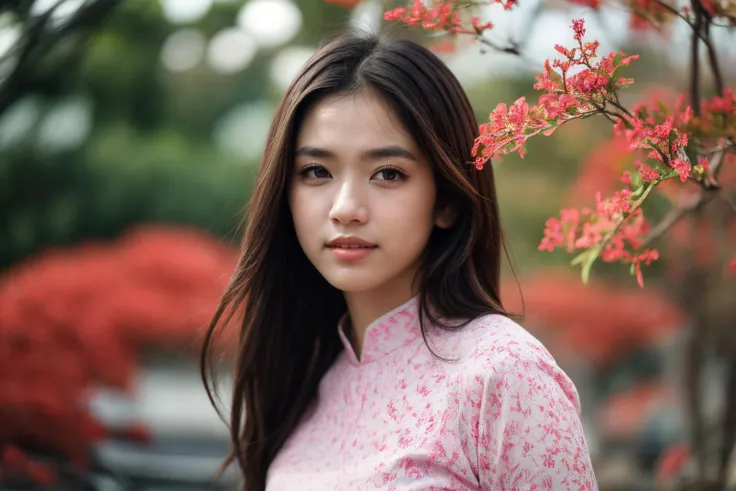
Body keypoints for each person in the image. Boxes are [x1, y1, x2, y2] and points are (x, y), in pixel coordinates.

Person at [201, 31, 598, 491]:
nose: (346, 207)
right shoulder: (304, 382)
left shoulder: (503, 374)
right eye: (317, 172)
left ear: (447, 199)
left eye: (388, 173)